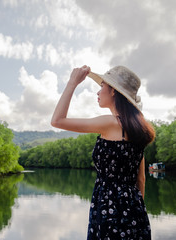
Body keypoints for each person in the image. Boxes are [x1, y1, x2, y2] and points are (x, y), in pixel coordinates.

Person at [51, 65, 155, 240]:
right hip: (135, 210)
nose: (98, 92)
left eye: (102, 87)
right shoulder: (138, 129)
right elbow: (140, 179)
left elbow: (57, 120)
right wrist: (134, 212)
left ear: (113, 91)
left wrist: (72, 83)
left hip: (108, 209)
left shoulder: (110, 123)